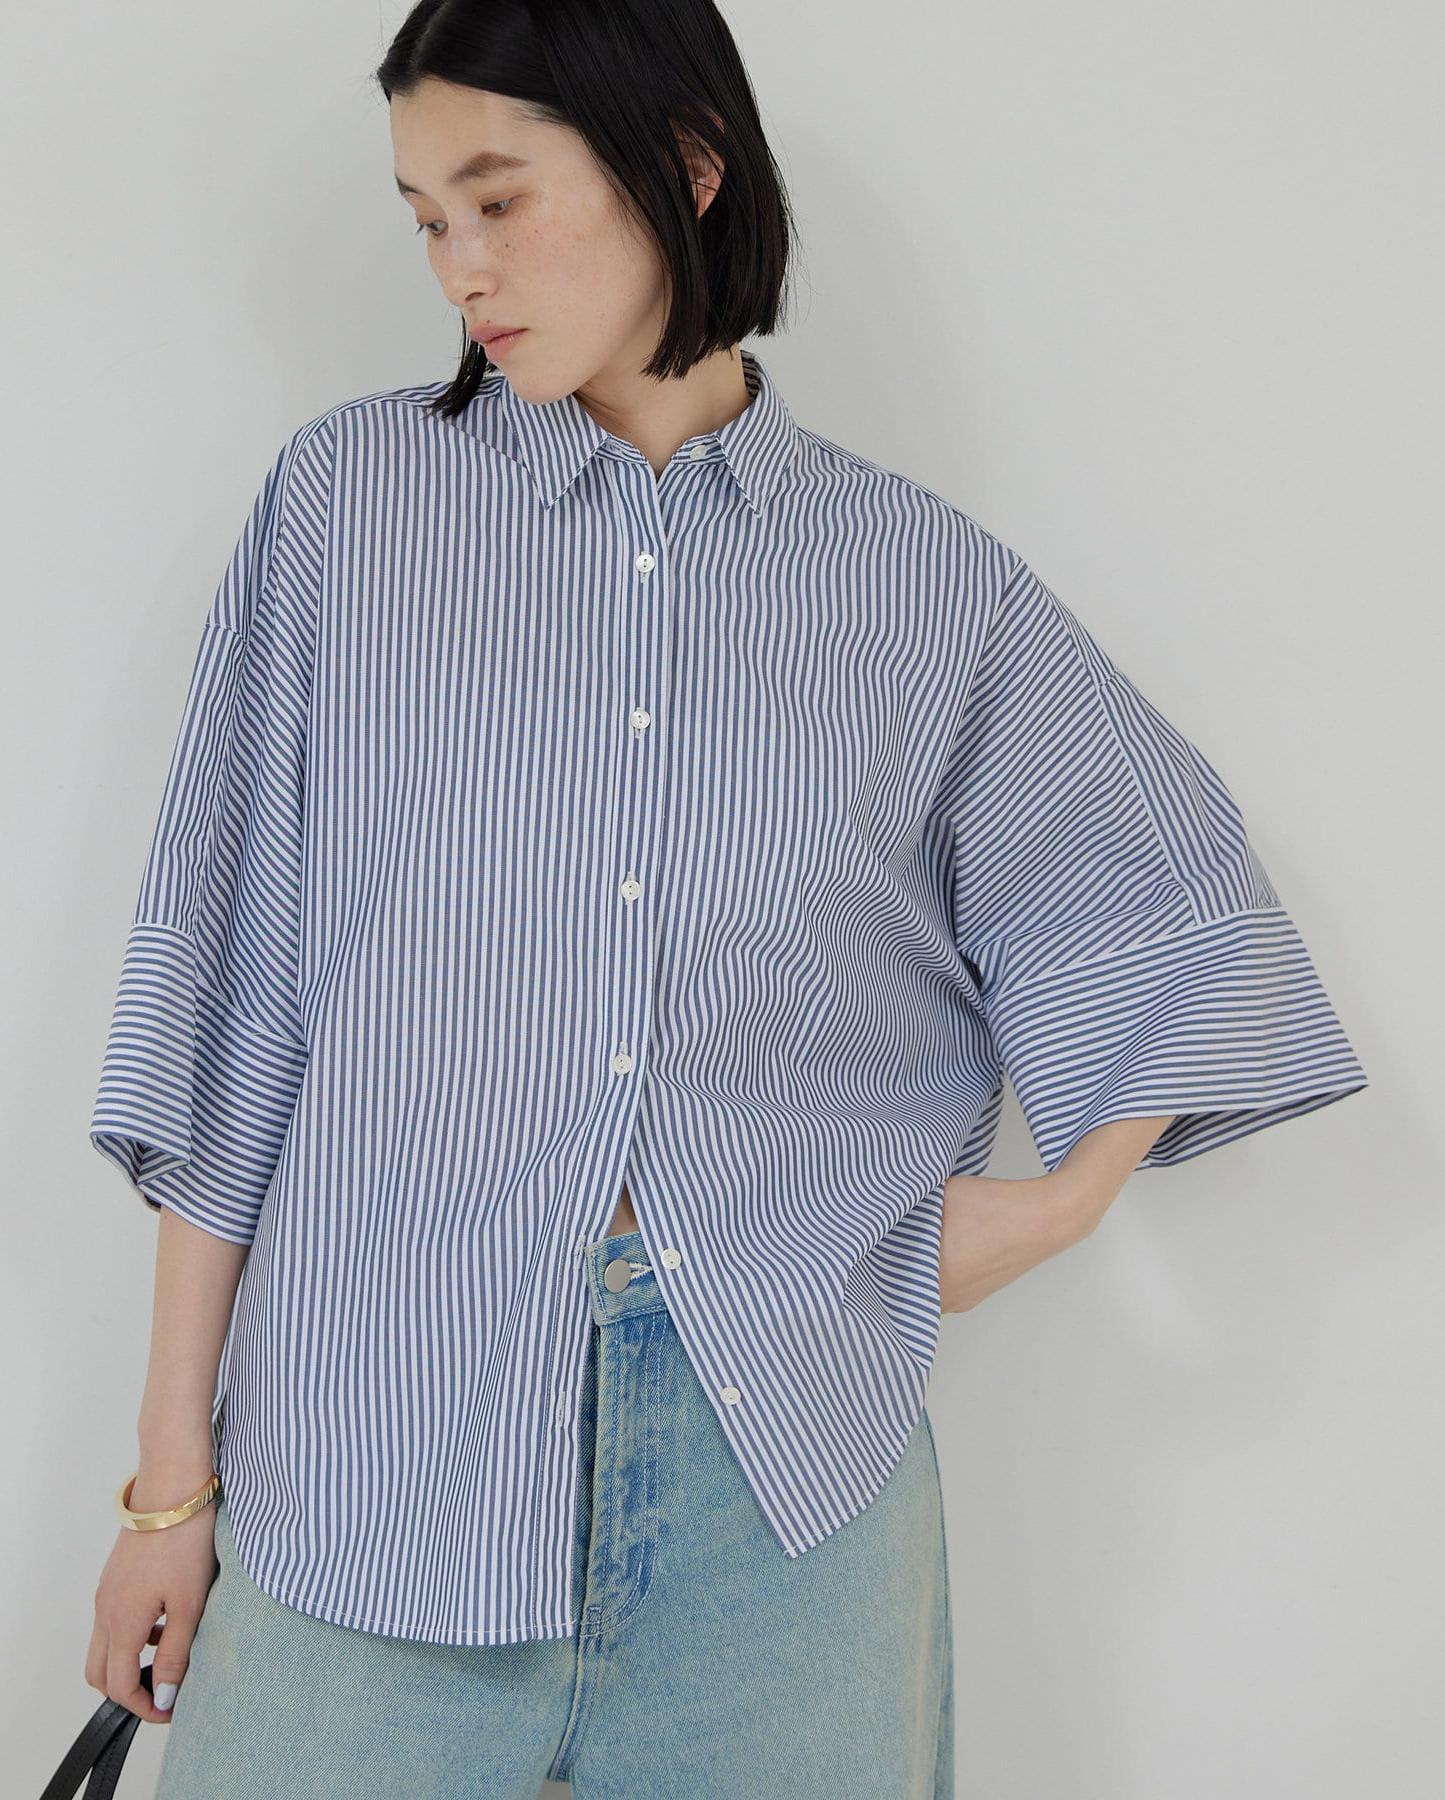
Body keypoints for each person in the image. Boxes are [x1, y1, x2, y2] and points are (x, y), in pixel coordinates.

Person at [80, 1, 1369, 1795]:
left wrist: (1057, 1209)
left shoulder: (919, 583)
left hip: (785, 1488)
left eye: (498, 201)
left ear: (686, 166)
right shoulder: (346, 511)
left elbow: (1160, 892)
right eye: (426, 218)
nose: (460, 267)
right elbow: (231, 1004)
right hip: (371, 1444)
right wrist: (167, 1489)